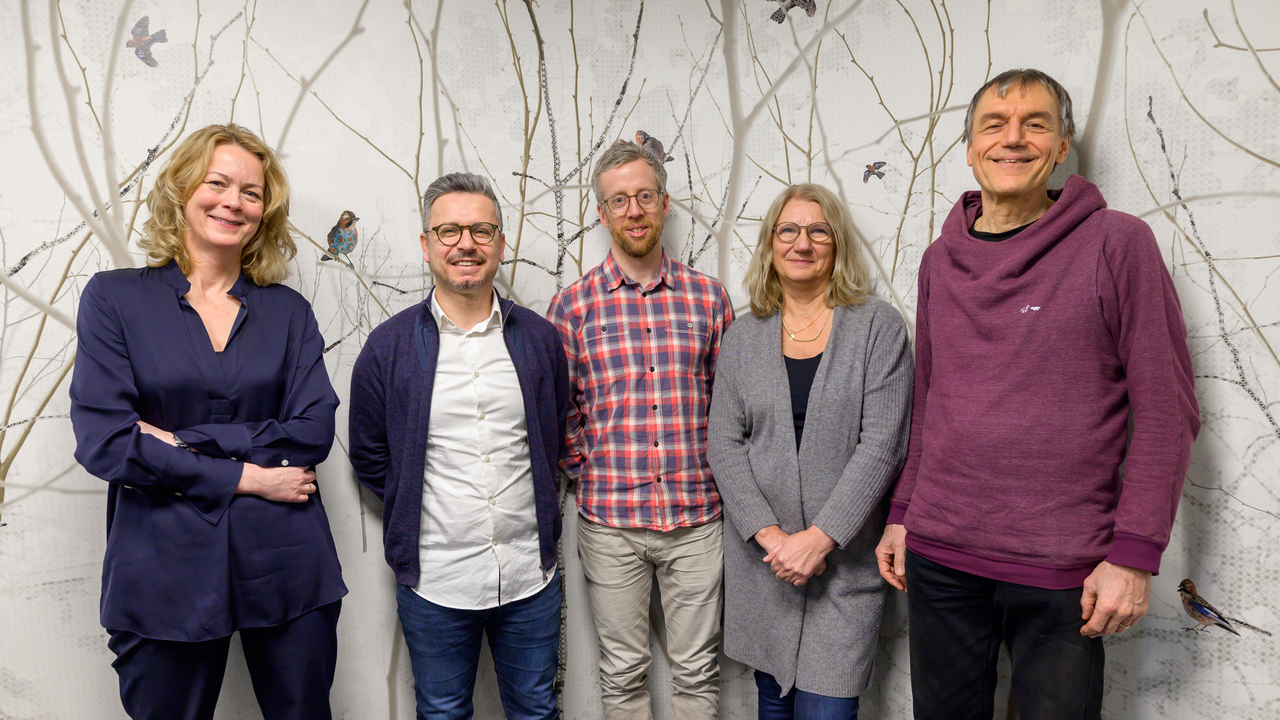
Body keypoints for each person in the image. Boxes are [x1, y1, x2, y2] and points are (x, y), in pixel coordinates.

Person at [876, 69, 1201, 719]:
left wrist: (1135, 555)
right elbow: (930, 398)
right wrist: (902, 510)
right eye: (994, 125)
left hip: (1064, 567)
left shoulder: (1117, 244)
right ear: (970, 149)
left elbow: (1167, 411)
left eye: (1036, 124)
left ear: (1061, 147)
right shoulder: (940, 260)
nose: (1013, 139)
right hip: (940, 553)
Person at [70, 124, 346, 720]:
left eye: (251, 192)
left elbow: (314, 430)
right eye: (217, 182)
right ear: (182, 189)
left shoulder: (288, 312)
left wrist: (184, 443)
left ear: (264, 213)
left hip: (287, 563)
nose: (233, 201)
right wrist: (250, 477)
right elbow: (108, 443)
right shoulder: (113, 300)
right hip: (163, 568)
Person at [348, 172, 570, 720]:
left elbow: (554, 431)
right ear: (426, 244)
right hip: (436, 581)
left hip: (528, 576)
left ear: (500, 243)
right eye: (448, 231)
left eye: (481, 230)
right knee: (443, 712)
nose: (465, 244)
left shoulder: (540, 340)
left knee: (537, 711)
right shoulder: (388, 348)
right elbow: (371, 456)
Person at [707, 184, 913, 720]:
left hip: (841, 570)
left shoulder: (877, 327)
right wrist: (774, 540)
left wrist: (819, 540)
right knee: (772, 706)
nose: (803, 243)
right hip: (766, 568)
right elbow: (724, 445)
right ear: (771, 244)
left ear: (837, 243)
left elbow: (883, 445)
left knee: (828, 708)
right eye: (789, 230)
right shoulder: (744, 335)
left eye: (818, 230)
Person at [547, 140, 734, 720]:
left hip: (697, 518)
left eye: (644, 196)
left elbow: (731, 405)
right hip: (611, 526)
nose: (634, 210)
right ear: (602, 214)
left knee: (699, 670)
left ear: (664, 203)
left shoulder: (709, 299)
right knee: (623, 674)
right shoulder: (573, 307)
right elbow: (560, 410)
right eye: (619, 200)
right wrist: (591, 467)